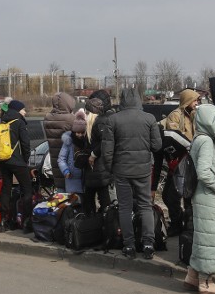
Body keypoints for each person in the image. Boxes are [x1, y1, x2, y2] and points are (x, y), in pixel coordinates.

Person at [102, 88, 162, 259]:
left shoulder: (113, 120)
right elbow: (157, 146)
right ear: (138, 99)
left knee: (125, 208)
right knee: (145, 206)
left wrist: (110, 169)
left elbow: (107, 151)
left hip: (121, 171)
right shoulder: (149, 118)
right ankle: (148, 243)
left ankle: (129, 246)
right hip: (143, 170)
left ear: (121, 100)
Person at [183, 103, 215, 294]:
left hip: (203, 197)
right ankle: (206, 282)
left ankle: (192, 276)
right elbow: (203, 171)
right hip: (209, 197)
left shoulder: (198, 139)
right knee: (212, 239)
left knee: (203, 239)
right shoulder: (206, 142)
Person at [159, 88, 199, 235]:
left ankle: (186, 226)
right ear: (187, 101)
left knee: (187, 196)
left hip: (189, 162)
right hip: (177, 163)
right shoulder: (175, 116)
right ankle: (177, 222)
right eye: (194, 100)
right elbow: (173, 137)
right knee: (170, 196)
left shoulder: (195, 115)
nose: (196, 103)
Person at [0, 99, 32, 232]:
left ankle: (4, 220)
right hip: (18, 161)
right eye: (23, 109)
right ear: (17, 109)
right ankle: (27, 222)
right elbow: (25, 144)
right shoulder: (19, 122)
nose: (25, 111)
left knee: (6, 189)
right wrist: (25, 160)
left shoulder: (4, 120)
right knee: (27, 189)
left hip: (3, 160)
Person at [84, 90, 114, 215]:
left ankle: (98, 223)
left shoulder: (99, 122)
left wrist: (93, 155)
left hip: (99, 168)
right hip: (97, 169)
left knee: (100, 198)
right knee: (97, 197)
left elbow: (104, 142)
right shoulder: (98, 121)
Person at [44, 92, 76, 193]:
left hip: (55, 157)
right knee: (73, 193)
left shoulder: (47, 118)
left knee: (61, 190)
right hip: (70, 159)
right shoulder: (71, 119)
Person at [58, 110, 89, 197]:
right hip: (72, 177)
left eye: (82, 133)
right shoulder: (68, 142)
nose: (79, 135)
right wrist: (66, 171)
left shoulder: (88, 142)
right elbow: (61, 158)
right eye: (77, 133)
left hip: (86, 178)